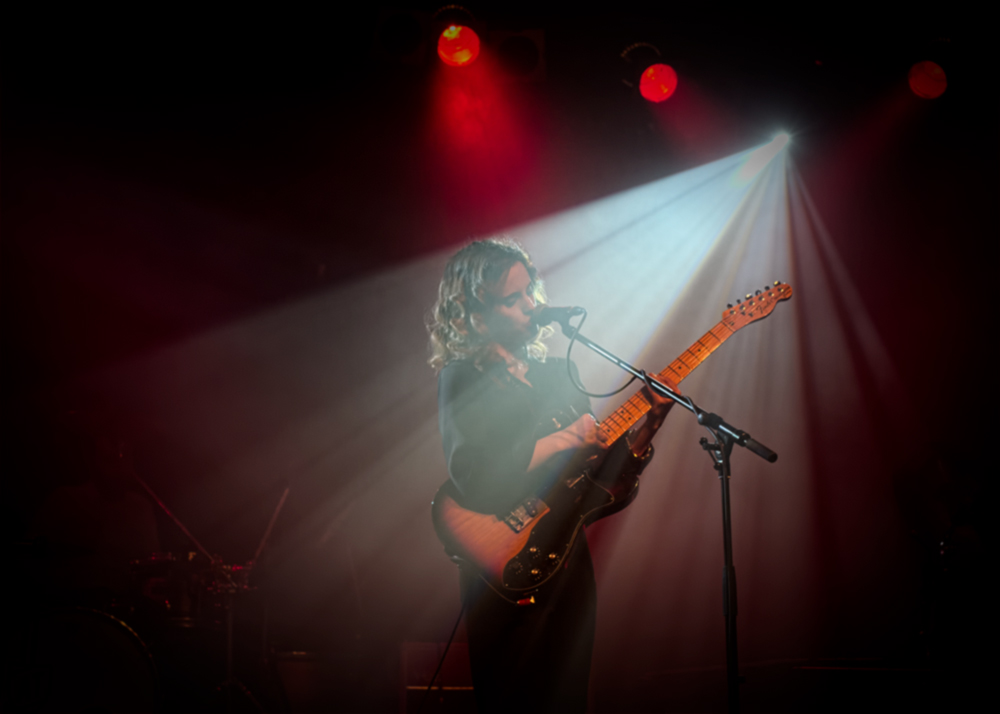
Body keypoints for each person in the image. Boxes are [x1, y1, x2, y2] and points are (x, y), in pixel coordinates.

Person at [428, 237, 677, 713]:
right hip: (503, 566)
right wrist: (564, 441)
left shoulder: (557, 374)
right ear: (478, 311)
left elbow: (602, 485)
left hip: (566, 562)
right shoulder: (462, 377)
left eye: (531, 292)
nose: (531, 305)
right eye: (513, 298)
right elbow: (472, 475)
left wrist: (649, 425)